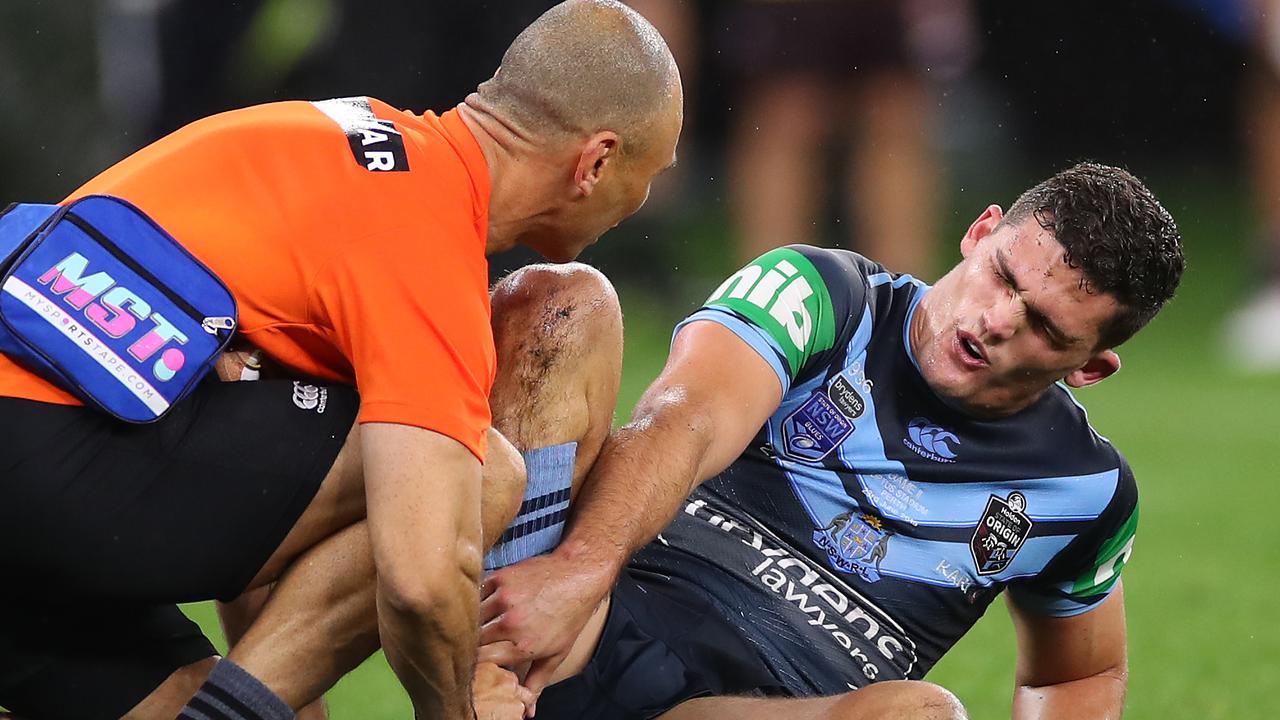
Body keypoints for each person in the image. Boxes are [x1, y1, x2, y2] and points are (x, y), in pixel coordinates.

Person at [0, 1, 682, 718]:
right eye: (651, 172)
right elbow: (421, 578)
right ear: (597, 161)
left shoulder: (341, 139)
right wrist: (457, 709)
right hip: (46, 448)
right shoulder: (424, 239)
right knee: (476, 473)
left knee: (202, 699)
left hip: (46, 492)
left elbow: (269, 497)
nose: (645, 198)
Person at [479, 162, 1184, 719]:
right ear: (979, 232)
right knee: (561, 300)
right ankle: (485, 679)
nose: (997, 320)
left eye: (1044, 329)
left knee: (925, 718)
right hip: (584, 627)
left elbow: (1080, 672)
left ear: (1087, 368)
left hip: (743, 715)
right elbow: (683, 419)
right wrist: (577, 573)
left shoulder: (1085, 492)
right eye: (1002, 276)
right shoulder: (825, 296)